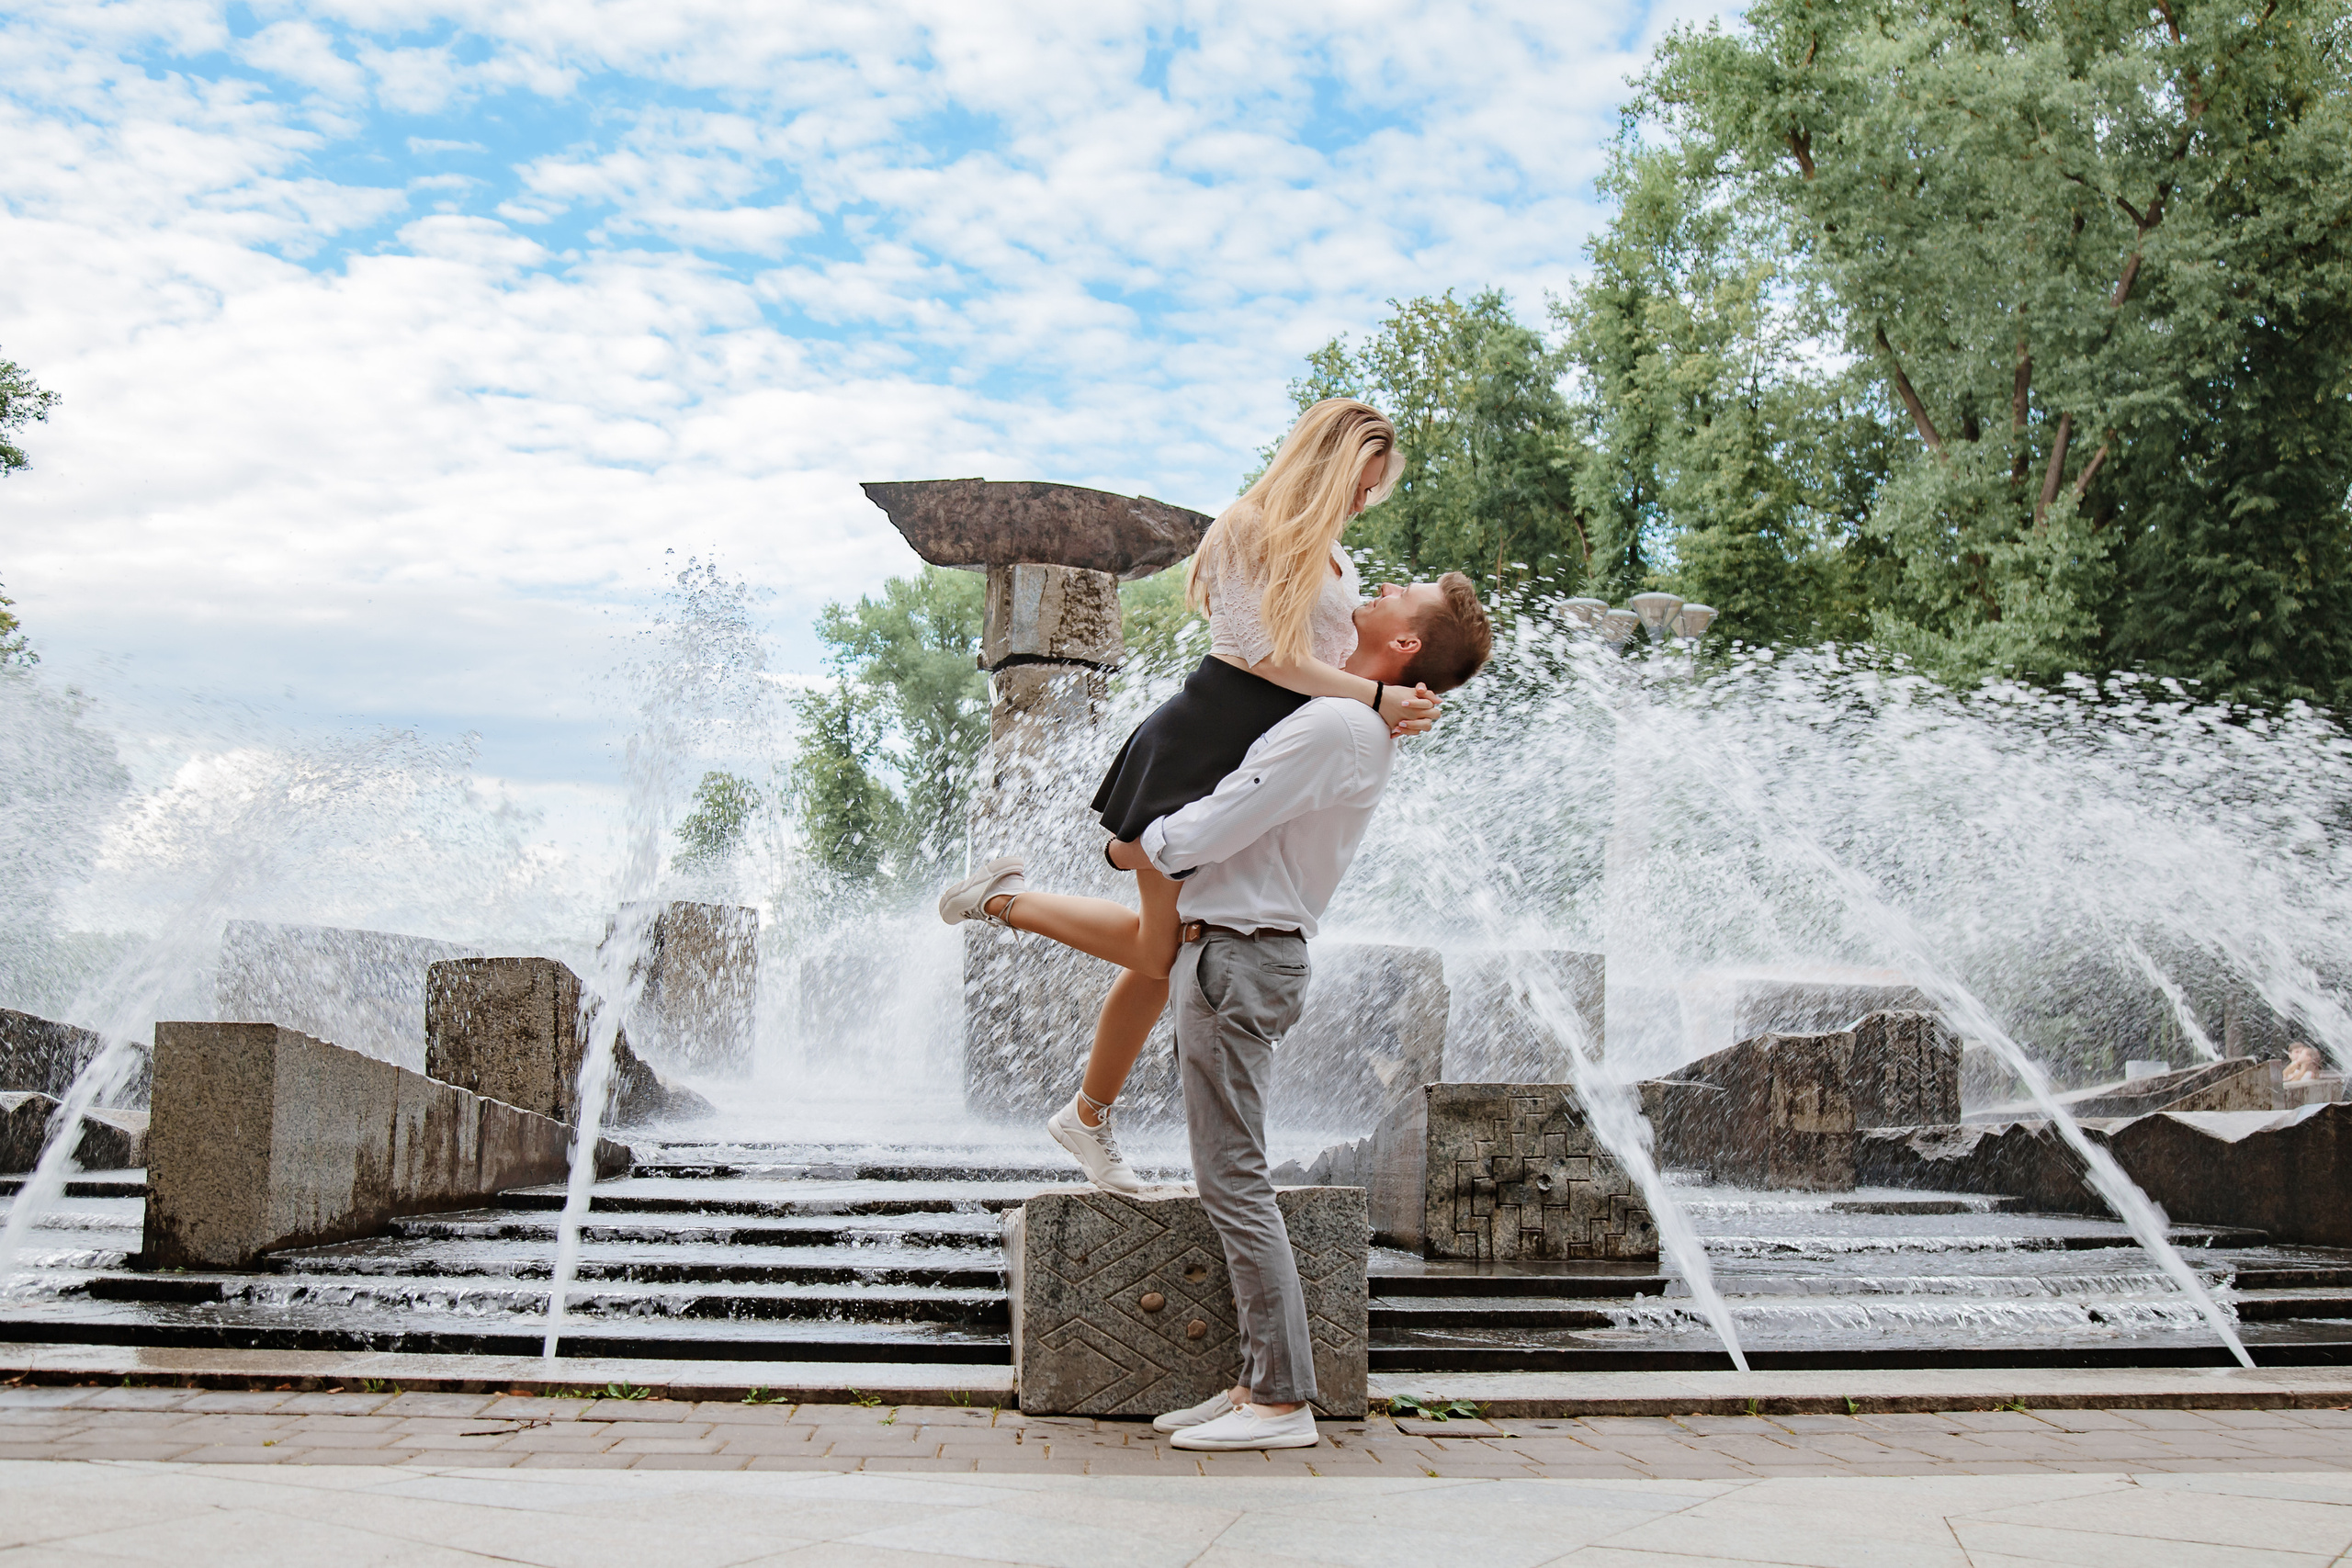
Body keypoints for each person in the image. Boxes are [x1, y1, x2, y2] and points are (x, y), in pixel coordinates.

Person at [935, 400, 1441, 1192]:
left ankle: (1086, 1112)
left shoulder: (1336, 558)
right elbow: (1268, 660)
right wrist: (1375, 704)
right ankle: (1006, 906)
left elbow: (1347, 668)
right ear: (1326, 462)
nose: (1359, 502)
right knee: (1155, 950)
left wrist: (1400, 700)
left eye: (1371, 492)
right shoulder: (1245, 525)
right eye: (1357, 484)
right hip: (1202, 742)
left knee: (1155, 950)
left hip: (1256, 757)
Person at [1124, 572, 1491, 1450]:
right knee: (1233, 1173)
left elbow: (1217, 825)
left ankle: (1282, 1399)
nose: (1386, 581)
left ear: (1405, 645)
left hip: (1238, 952)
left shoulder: (1335, 725)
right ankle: (1261, 1378)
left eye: (1404, 592)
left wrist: (1140, 841)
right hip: (1244, 950)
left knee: (1235, 1177)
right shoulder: (1348, 711)